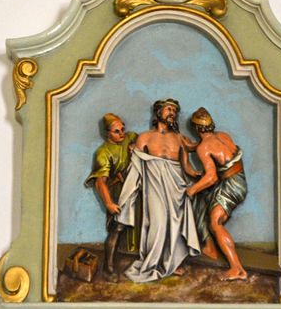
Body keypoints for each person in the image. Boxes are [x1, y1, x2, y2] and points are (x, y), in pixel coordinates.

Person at [117, 99, 201, 282]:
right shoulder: (145, 137)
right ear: (158, 112)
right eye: (169, 109)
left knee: (175, 224)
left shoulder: (179, 138)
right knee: (158, 223)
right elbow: (136, 164)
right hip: (154, 186)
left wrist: (200, 176)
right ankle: (152, 263)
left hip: (176, 187)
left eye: (175, 111)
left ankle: (171, 263)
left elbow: (186, 166)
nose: (172, 113)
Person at [186, 107, 248, 281]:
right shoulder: (223, 135)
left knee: (215, 223)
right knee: (203, 199)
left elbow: (212, 177)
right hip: (239, 181)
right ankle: (209, 247)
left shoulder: (203, 148)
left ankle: (237, 268)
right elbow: (219, 151)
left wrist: (191, 190)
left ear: (196, 128)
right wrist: (193, 147)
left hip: (230, 186)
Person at [85, 113, 137, 282]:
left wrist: (135, 148)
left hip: (135, 188)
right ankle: (108, 268)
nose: (122, 133)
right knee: (117, 228)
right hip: (118, 193)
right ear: (108, 133)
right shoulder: (103, 152)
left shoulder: (129, 138)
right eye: (116, 131)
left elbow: (141, 142)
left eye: (122, 129)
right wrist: (109, 203)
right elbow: (100, 182)